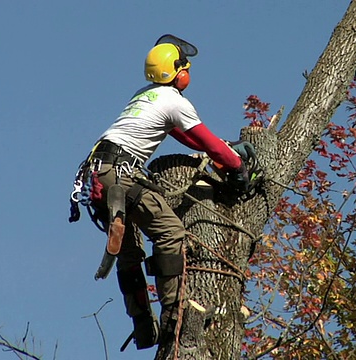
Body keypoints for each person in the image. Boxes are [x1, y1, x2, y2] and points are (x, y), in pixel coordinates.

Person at [71, 34, 252, 350]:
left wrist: (224, 148)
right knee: (170, 232)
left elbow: (187, 138)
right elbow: (204, 141)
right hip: (122, 174)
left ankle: (142, 322)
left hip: (97, 176)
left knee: (129, 252)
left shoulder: (145, 95)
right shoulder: (175, 101)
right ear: (179, 72)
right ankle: (174, 313)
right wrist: (237, 166)